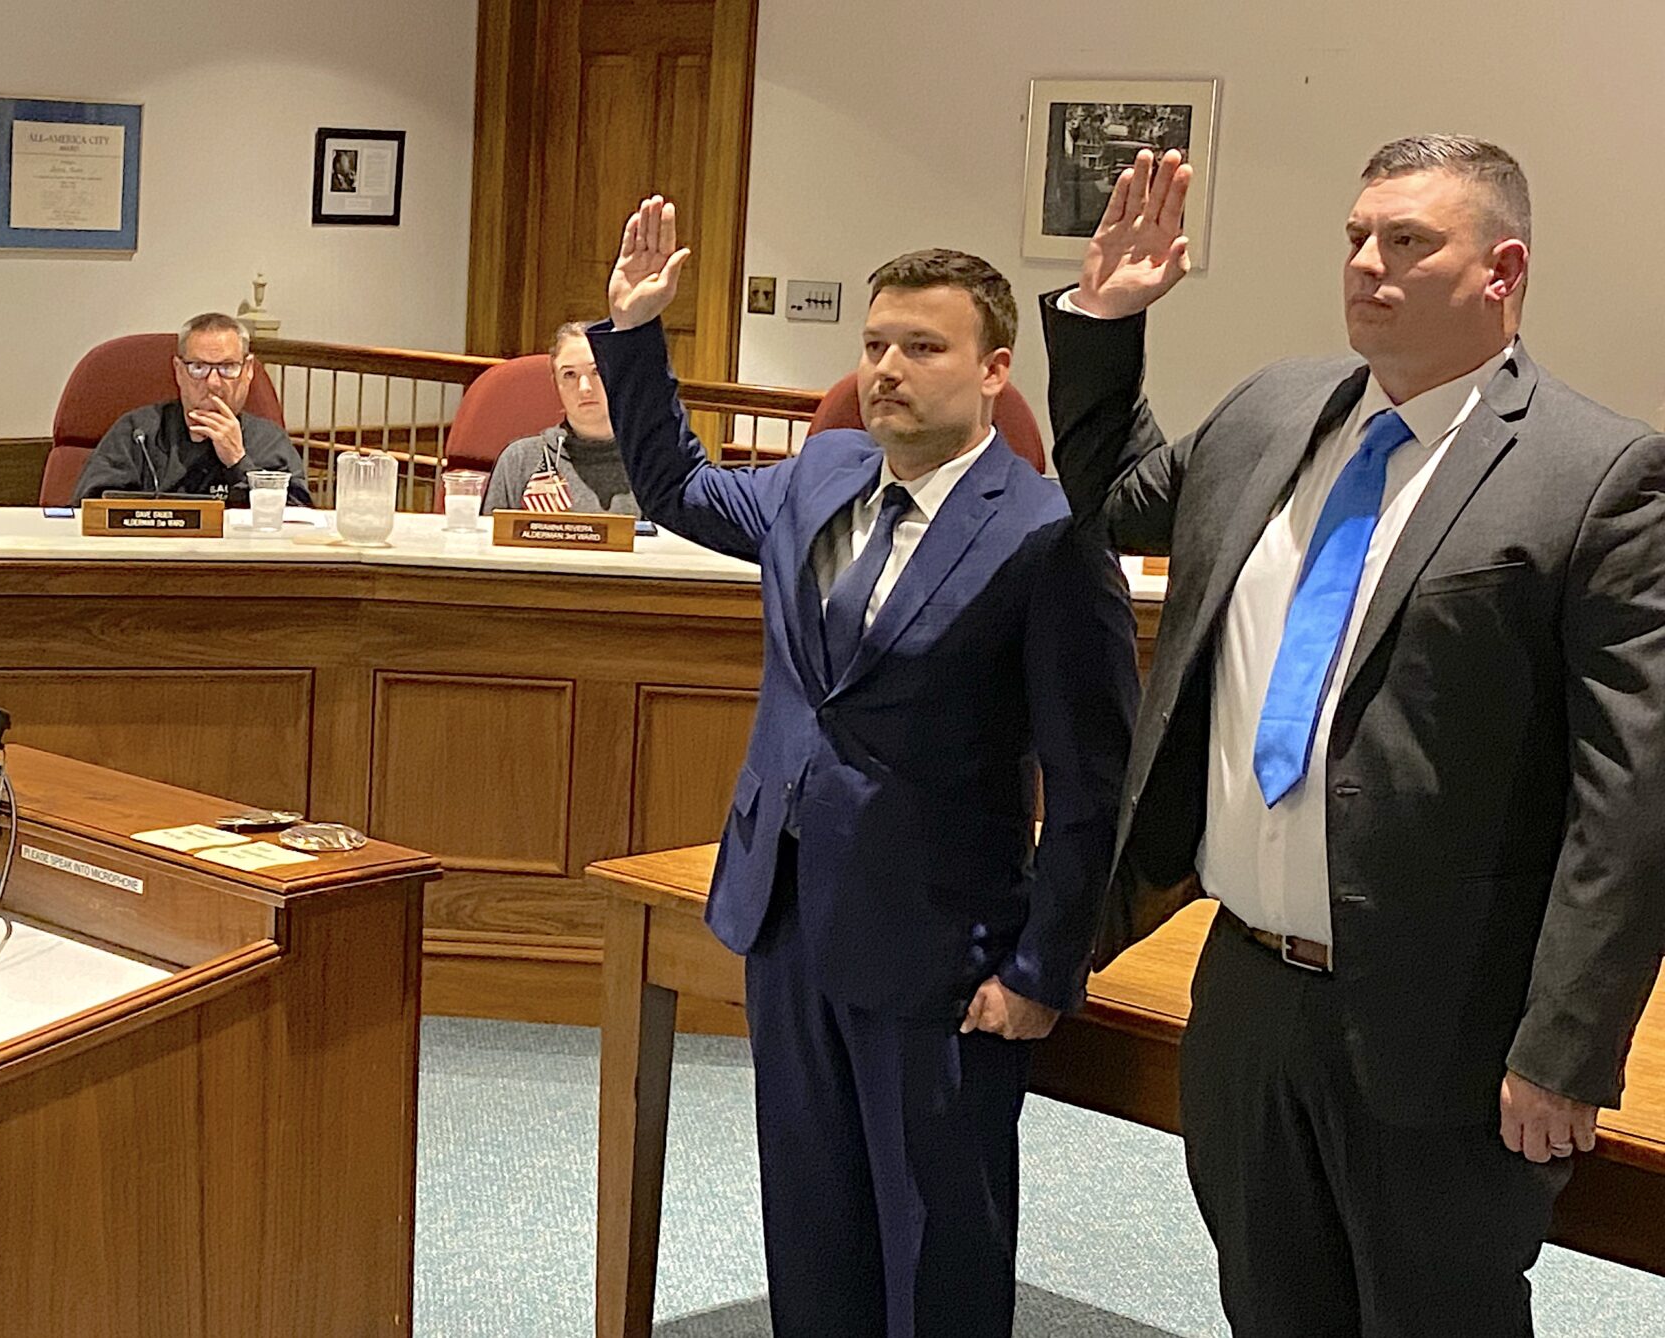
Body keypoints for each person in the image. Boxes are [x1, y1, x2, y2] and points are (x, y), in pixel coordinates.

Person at [1043, 138, 1665, 1335]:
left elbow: (1628, 800)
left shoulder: (1598, 475)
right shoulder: (1274, 412)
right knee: (1272, 1308)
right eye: (1355, 239)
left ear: (1504, 269)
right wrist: (1104, 323)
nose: (1367, 264)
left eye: (1408, 242)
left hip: (1447, 1021)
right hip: (1244, 993)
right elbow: (1110, 497)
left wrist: (1566, 1049)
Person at [593, 198, 1136, 1337]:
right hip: (788, 913)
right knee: (812, 1217)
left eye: (922, 348)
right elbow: (680, 488)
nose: (887, 369)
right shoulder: (822, 470)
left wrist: (1043, 968)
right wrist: (639, 337)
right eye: (875, 345)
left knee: (936, 1242)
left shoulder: (1044, 533)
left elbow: (1090, 782)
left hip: (942, 946)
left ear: (993, 370)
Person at [70, 312, 309, 506]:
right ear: (178, 371)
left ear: (248, 370)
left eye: (227, 367)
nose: (213, 383)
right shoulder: (138, 433)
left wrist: (238, 461)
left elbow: (299, 520)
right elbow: (88, 506)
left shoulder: (268, 441)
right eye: (198, 367)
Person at [483, 321, 640, 514]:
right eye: (569, 374)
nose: (584, 387)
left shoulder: (649, 463)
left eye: (596, 371)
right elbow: (488, 541)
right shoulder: (519, 460)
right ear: (555, 383)